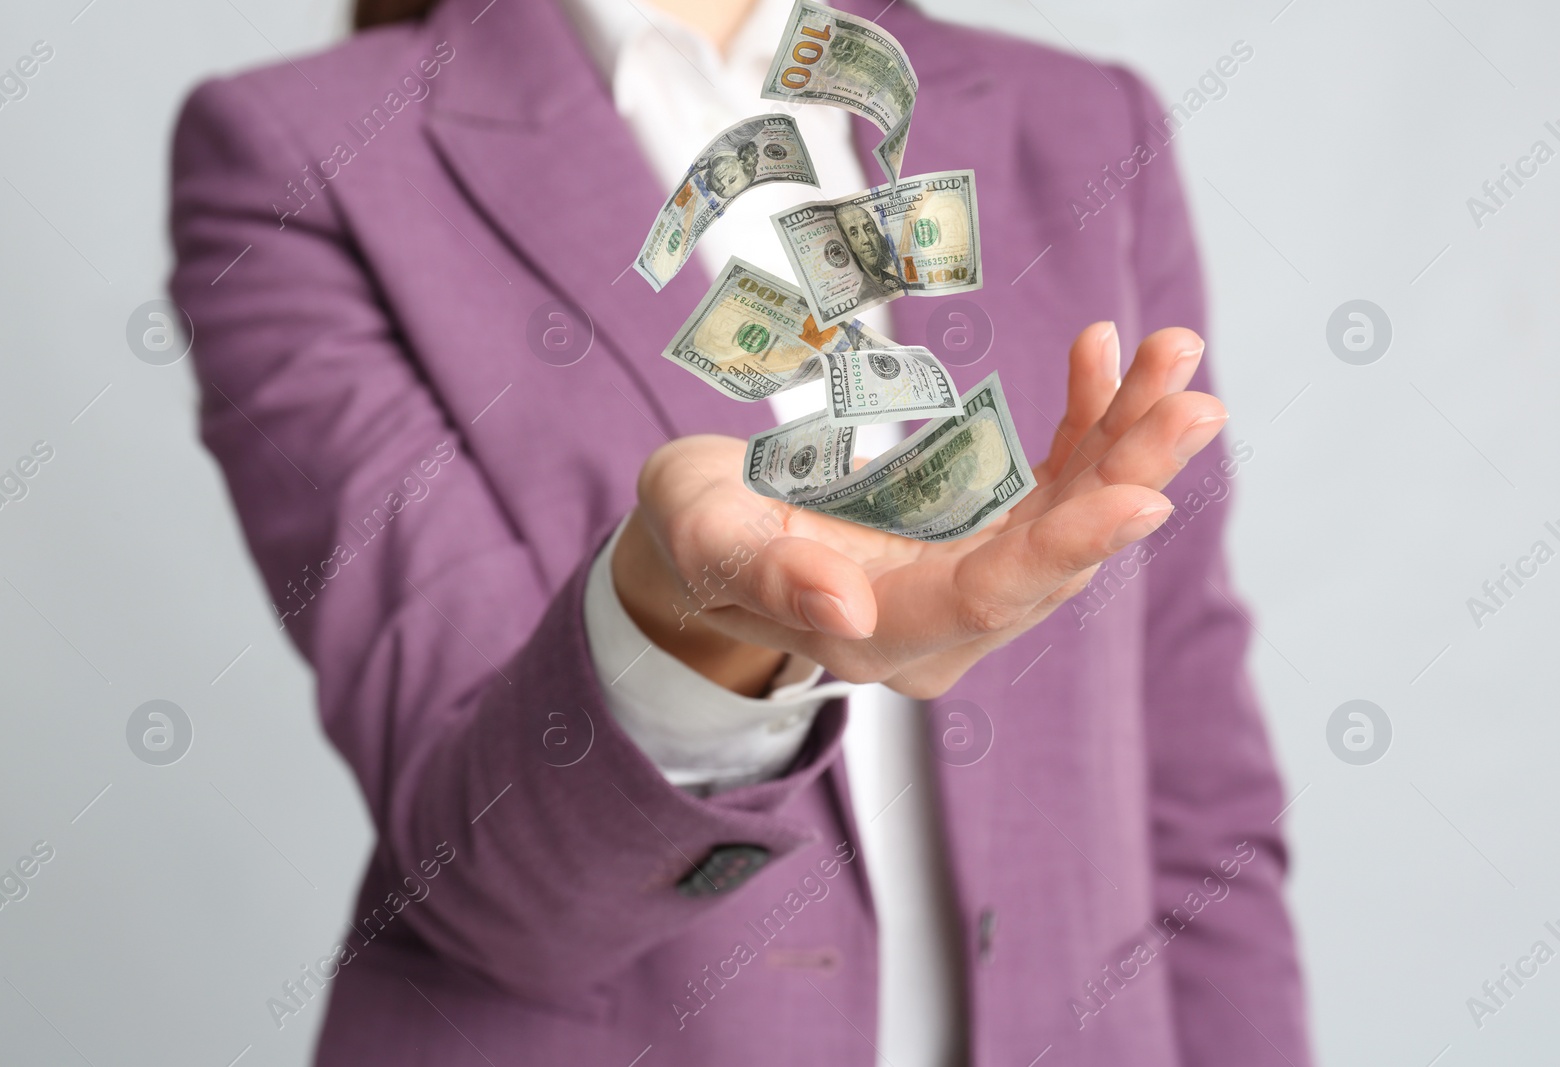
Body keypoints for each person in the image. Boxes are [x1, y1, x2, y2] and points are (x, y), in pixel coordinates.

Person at [168, 0, 1309, 1063]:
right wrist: (690, 626)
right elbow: (494, 887)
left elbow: (1196, 794)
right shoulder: (304, 156)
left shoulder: (1083, 123)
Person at [835, 201, 904, 300]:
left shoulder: (898, 282)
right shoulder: (856, 295)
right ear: (848, 244)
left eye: (869, 229)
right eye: (854, 233)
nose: (866, 239)